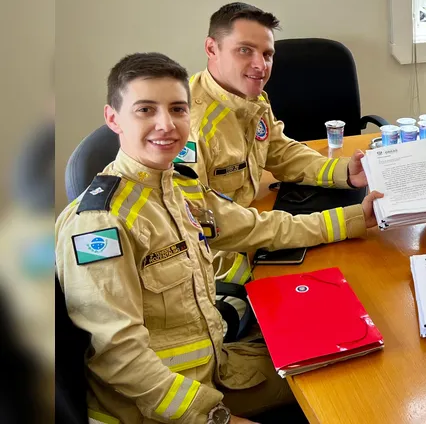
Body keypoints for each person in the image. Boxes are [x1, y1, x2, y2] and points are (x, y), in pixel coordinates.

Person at [55, 53, 382, 423]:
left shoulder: (176, 189)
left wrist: (356, 218)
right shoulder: (99, 224)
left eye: (178, 109)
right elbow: (119, 356)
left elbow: (260, 227)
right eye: (145, 110)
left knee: (348, 358)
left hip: (214, 371)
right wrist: (214, 418)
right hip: (161, 411)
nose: (166, 124)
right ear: (113, 118)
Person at [184, 2, 402, 286]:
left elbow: (280, 150)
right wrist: (343, 222)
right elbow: (218, 224)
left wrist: (344, 172)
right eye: (244, 50)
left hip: (252, 236)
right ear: (212, 49)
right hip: (219, 273)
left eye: (267, 54)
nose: (260, 65)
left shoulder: (248, 97)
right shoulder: (189, 126)